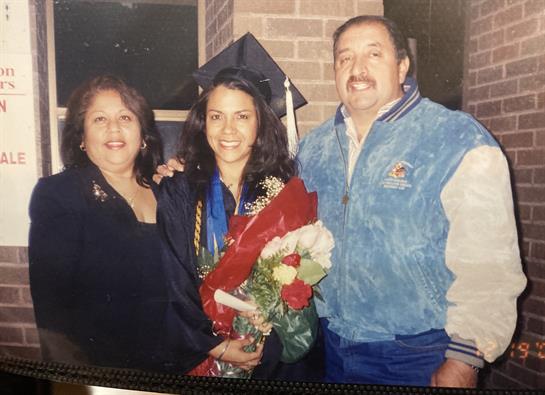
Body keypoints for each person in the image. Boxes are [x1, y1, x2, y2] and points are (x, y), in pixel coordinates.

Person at [296, 15, 527, 387]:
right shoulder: (314, 148)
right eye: (345, 58)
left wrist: (466, 357)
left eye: (374, 54)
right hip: (329, 348)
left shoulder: (454, 139)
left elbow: (490, 264)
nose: (357, 69)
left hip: (417, 354)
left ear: (402, 66)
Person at [28, 75, 262, 373]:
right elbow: (52, 315)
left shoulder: (165, 190)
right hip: (102, 370)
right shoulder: (61, 194)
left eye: (126, 116)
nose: (114, 128)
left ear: (143, 135)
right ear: (81, 138)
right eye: (99, 119)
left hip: (173, 366)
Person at [156, 33, 323, 381]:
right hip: (201, 352)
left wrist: (273, 316)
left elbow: (295, 277)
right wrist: (214, 346)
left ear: (260, 122)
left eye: (242, 117)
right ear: (204, 123)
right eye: (217, 116)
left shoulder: (285, 192)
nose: (228, 129)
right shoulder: (178, 189)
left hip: (271, 358)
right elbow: (170, 280)